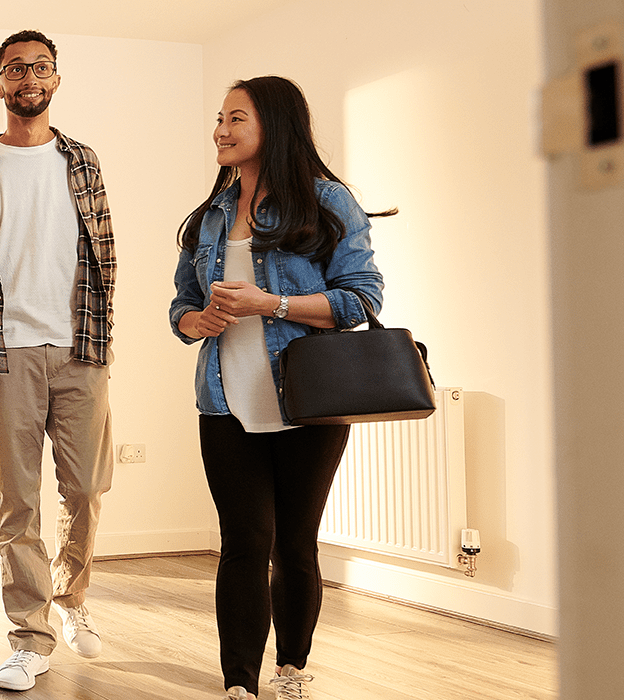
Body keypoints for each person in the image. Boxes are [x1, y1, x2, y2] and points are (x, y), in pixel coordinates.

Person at [168, 75, 393, 700]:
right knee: (243, 543)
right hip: (225, 401)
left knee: (295, 543)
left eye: (236, 118)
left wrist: (272, 303)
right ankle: (238, 683)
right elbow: (181, 307)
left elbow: (361, 298)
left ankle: (291, 669)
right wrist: (196, 320)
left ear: (276, 125)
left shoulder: (326, 202)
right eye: (219, 117)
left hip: (308, 402)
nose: (221, 129)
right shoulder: (210, 216)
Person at [0, 30, 118, 692]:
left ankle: (71, 601)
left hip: (80, 353)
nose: (29, 77)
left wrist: (99, 340)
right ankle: (31, 637)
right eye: (16, 69)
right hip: (2, 355)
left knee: (88, 491)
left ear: (57, 80)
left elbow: (105, 256)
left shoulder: (84, 163)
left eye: (41, 67)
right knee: (19, 503)